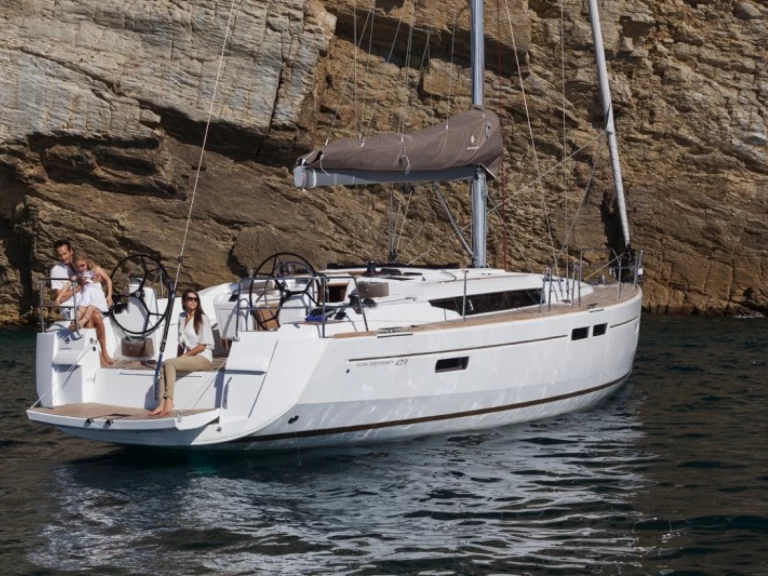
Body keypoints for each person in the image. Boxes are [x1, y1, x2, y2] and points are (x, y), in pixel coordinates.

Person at [149, 289, 214, 416]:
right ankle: (161, 403)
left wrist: (183, 356)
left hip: (203, 358)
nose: (193, 302)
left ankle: (169, 401)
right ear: (184, 302)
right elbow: (181, 342)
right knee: (165, 365)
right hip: (191, 358)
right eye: (190, 299)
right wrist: (178, 359)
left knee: (169, 363)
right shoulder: (181, 317)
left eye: (196, 299)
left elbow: (202, 346)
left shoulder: (202, 318)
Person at [70, 253, 114, 367]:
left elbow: (108, 280)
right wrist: (76, 280)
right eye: (77, 266)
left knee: (94, 314)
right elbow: (73, 279)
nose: (80, 268)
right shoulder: (79, 274)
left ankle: (103, 351)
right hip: (86, 297)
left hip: (96, 298)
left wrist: (109, 296)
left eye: (82, 265)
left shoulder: (96, 270)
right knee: (87, 313)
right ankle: (98, 354)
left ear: (87, 261)